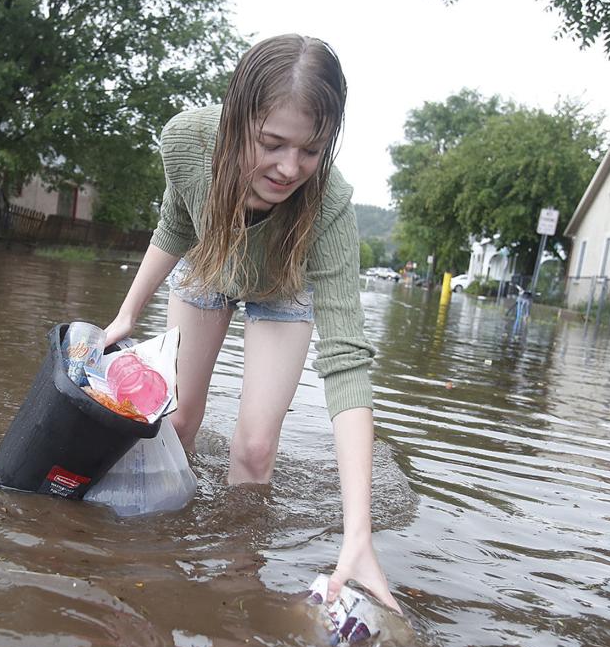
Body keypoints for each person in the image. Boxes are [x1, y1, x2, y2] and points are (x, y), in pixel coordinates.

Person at [104, 34, 400, 613]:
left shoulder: (330, 205)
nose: (290, 168)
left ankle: (237, 587)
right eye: (272, 143)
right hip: (210, 265)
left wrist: (357, 533)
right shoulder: (186, 141)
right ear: (237, 118)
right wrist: (127, 312)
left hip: (282, 286)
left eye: (311, 150)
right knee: (179, 420)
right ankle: (157, 559)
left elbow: (346, 361)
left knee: (257, 449)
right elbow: (174, 229)